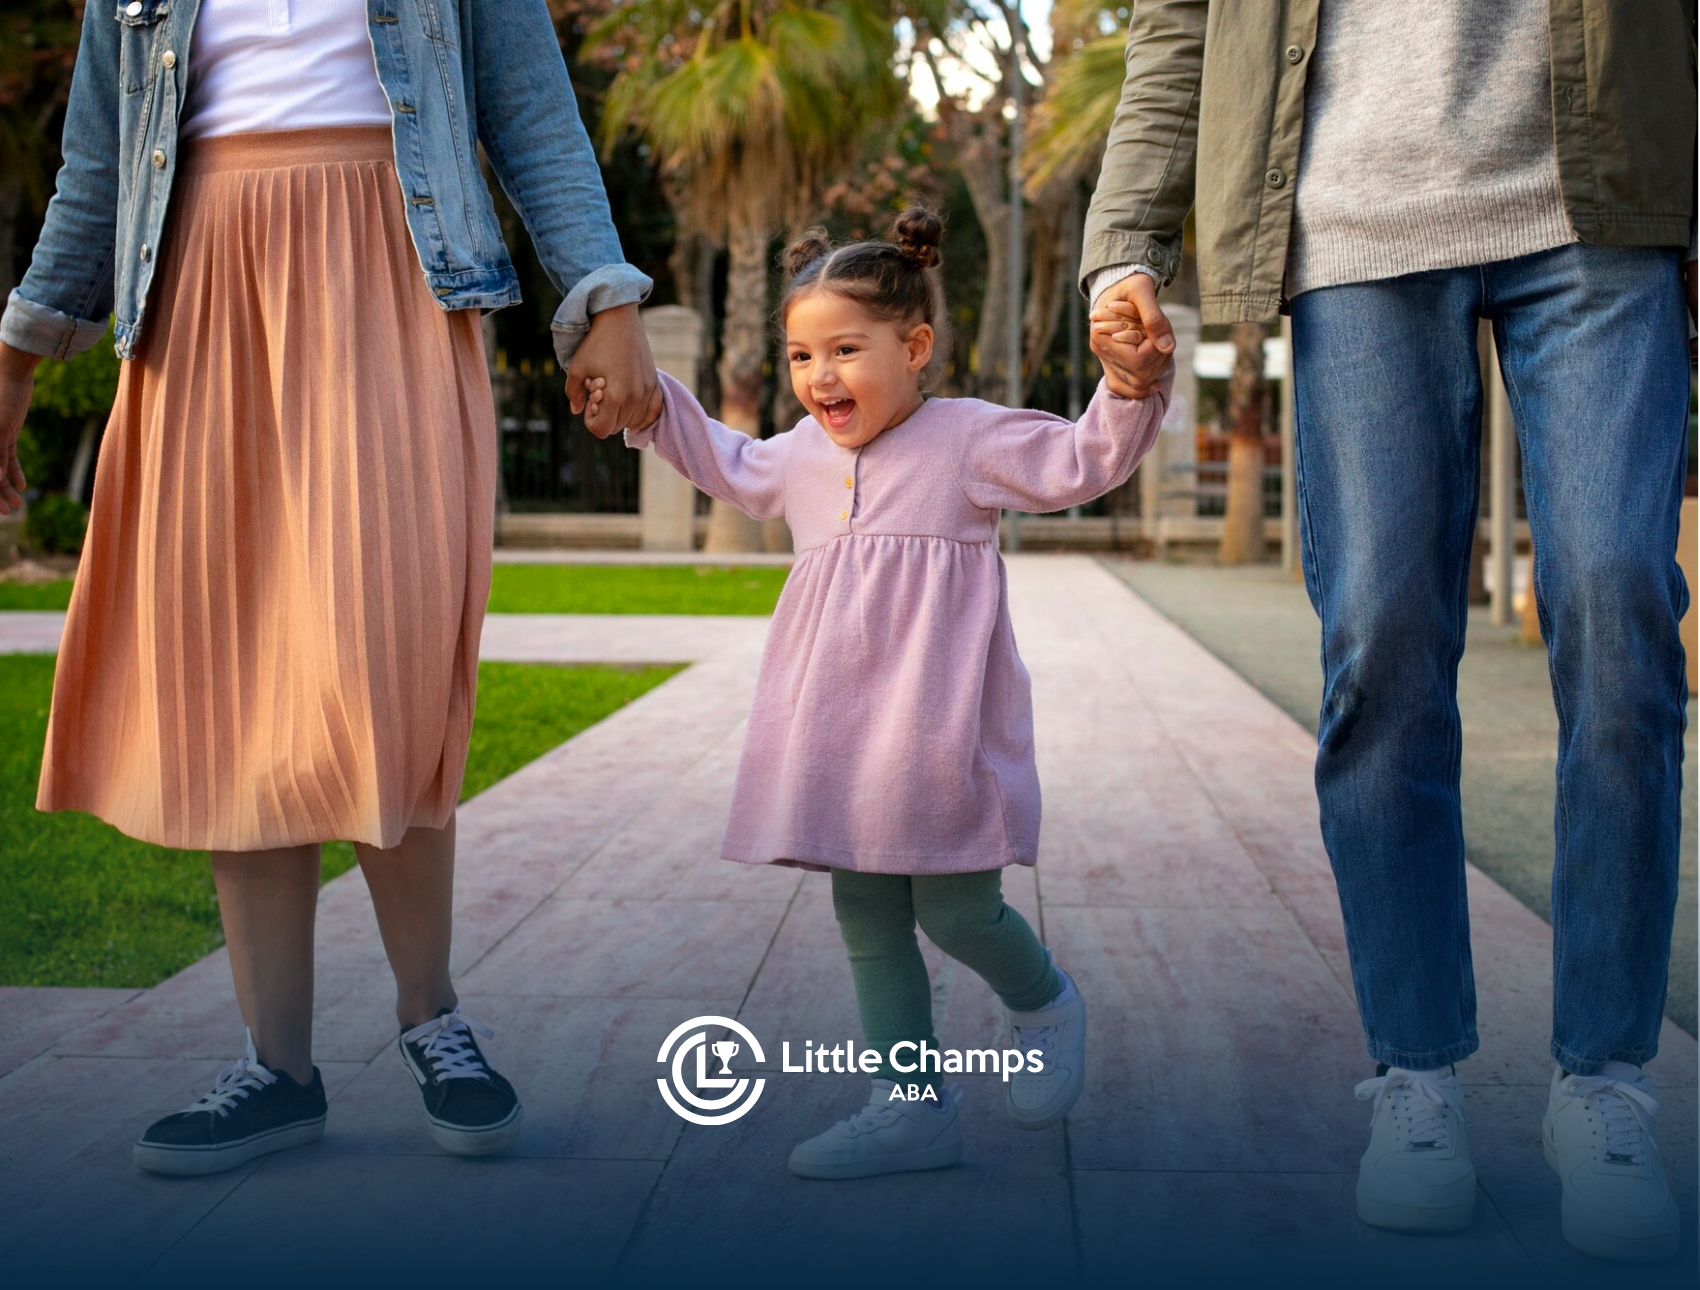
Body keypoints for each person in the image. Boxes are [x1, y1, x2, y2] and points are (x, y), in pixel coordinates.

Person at [0, 0, 660, 1175]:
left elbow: (532, 115)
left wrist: (605, 298)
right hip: (198, 293)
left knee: (389, 652)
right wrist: (15, 360)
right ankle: (278, 1068)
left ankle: (431, 1016)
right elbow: (96, 166)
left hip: (389, 272)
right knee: (235, 674)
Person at [1080, 0, 1694, 1262]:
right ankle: (1413, 1074)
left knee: (1618, 603)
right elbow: (1178, 24)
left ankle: (1602, 1082)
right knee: (1378, 640)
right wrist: (1124, 245)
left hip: (1601, 200)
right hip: (1351, 219)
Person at [580, 209, 1170, 1179]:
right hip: (838, 736)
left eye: (845, 350)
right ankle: (910, 1106)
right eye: (801, 355)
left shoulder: (966, 438)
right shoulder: (799, 457)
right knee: (864, 914)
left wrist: (1128, 385)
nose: (820, 376)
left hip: (935, 731)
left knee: (956, 912)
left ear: (915, 347)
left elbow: (1079, 462)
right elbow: (723, 457)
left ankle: (1043, 1003)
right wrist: (643, 399)